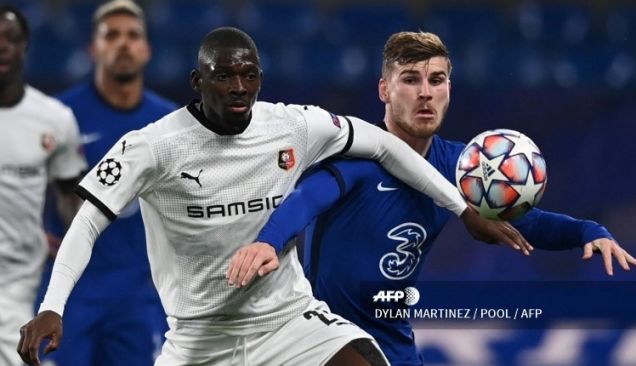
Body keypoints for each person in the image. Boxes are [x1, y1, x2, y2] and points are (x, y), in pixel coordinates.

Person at [17, 27, 531, 366]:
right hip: (199, 337)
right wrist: (52, 306)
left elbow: (385, 148)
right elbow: (86, 222)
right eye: (225, 76)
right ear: (199, 82)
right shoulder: (152, 146)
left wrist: (461, 207)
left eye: (249, 74)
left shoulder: (292, 125)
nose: (239, 86)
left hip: (287, 320)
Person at [233, 31, 636, 365]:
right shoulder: (357, 156)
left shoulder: (463, 166)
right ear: (385, 90)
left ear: (450, 88)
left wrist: (588, 231)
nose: (425, 93)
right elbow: (307, 198)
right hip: (329, 342)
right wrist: (269, 239)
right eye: (410, 79)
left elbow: (527, 222)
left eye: (436, 80)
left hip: (394, 343)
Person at [40, 1, 176, 365]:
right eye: (111, 35)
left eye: (133, 36)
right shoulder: (59, 117)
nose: (123, 44)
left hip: (139, 294)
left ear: (146, 50)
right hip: (71, 292)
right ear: (93, 48)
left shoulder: (168, 124)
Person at [0, 6, 86, 366]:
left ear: (25, 47)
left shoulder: (54, 119)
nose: (2, 47)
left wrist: (70, 241)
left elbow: (72, 200)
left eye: (11, 39)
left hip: (16, 285)